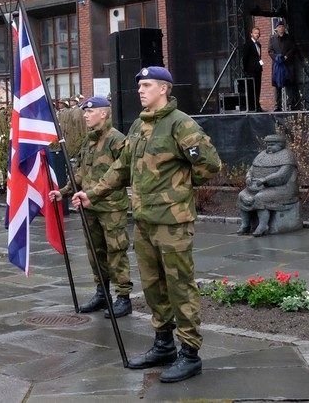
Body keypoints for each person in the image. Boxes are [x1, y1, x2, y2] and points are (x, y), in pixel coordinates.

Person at [73, 66, 221, 384]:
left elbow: (210, 164)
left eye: (148, 85)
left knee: (179, 287)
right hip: (144, 222)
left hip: (172, 223)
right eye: (139, 84)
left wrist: (179, 187)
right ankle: (164, 345)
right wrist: (92, 193)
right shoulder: (140, 125)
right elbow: (121, 168)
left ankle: (190, 354)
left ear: (164, 89)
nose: (141, 90)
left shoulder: (181, 124)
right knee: (153, 288)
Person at [50, 96, 132, 319]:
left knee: (116, 250)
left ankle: (123, 297)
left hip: (111, 206)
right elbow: (80, 173)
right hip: (89, 206)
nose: (85, 115)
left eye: (90, 111)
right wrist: (64, 192)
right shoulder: (89, 141)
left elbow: (125, 173)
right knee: (95, 252)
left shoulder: (117, 140)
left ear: (103, 114)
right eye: (84, 112)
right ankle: (102, 292)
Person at [267, 20, 298, 111]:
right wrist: (277, 58)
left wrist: (286, 56)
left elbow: (293, 48)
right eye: (279, 27)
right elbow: (270, 50)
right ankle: (278, 106)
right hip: (277, 65)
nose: (281, 28)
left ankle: (290, 104)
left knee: (289, 85)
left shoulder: (289, 38)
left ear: (284, 28)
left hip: (288, 64)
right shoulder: (272, 38)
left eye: (282, 27)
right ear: (276, 29)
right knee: (277, 86)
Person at [240, 26, 264, 112]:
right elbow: (245, 58)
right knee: (252, 89)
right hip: (251, 70)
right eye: (255, 33)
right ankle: (252, 106)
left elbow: (258, 57)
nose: (257, 35)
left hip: (258, 69)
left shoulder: (259, 44)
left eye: (258, 33)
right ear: (251, 34)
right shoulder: (248, 44)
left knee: (258, 88)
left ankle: (257, 105)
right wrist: (245, 69)